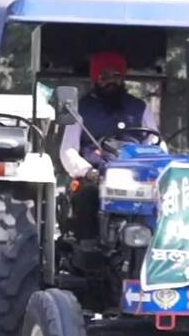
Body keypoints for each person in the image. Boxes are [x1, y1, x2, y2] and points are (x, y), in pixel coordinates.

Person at [59, 51, 159, 241]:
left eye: (116, 76)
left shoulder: (140, 107)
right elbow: (68, 150)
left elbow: (155, 143)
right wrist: (88, 172)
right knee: (86, 197)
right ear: (95, 79)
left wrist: (154, 167)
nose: (110, 81)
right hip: (97, 177)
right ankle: (88, 247)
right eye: (104, 77)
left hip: (138, 178)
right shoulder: (80, 108)